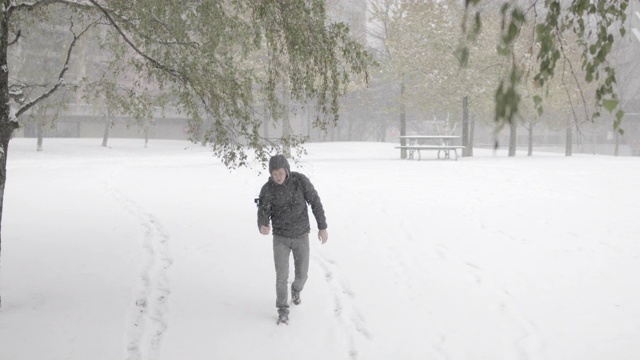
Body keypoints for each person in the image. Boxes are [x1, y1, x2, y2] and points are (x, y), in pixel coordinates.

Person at [257, 154, 328, 325]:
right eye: (274, 174)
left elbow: (315, 202)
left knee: (302, 274)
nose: (278, 177)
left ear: (286, 171)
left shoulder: (300, 181)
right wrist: (262, 225)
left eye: (280, 173)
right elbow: (263, 210)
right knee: (281, 276)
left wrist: (322, 226)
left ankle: (296, 290)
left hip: (301, 235)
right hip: (280, 238)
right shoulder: (268, 189)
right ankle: (282, 309)